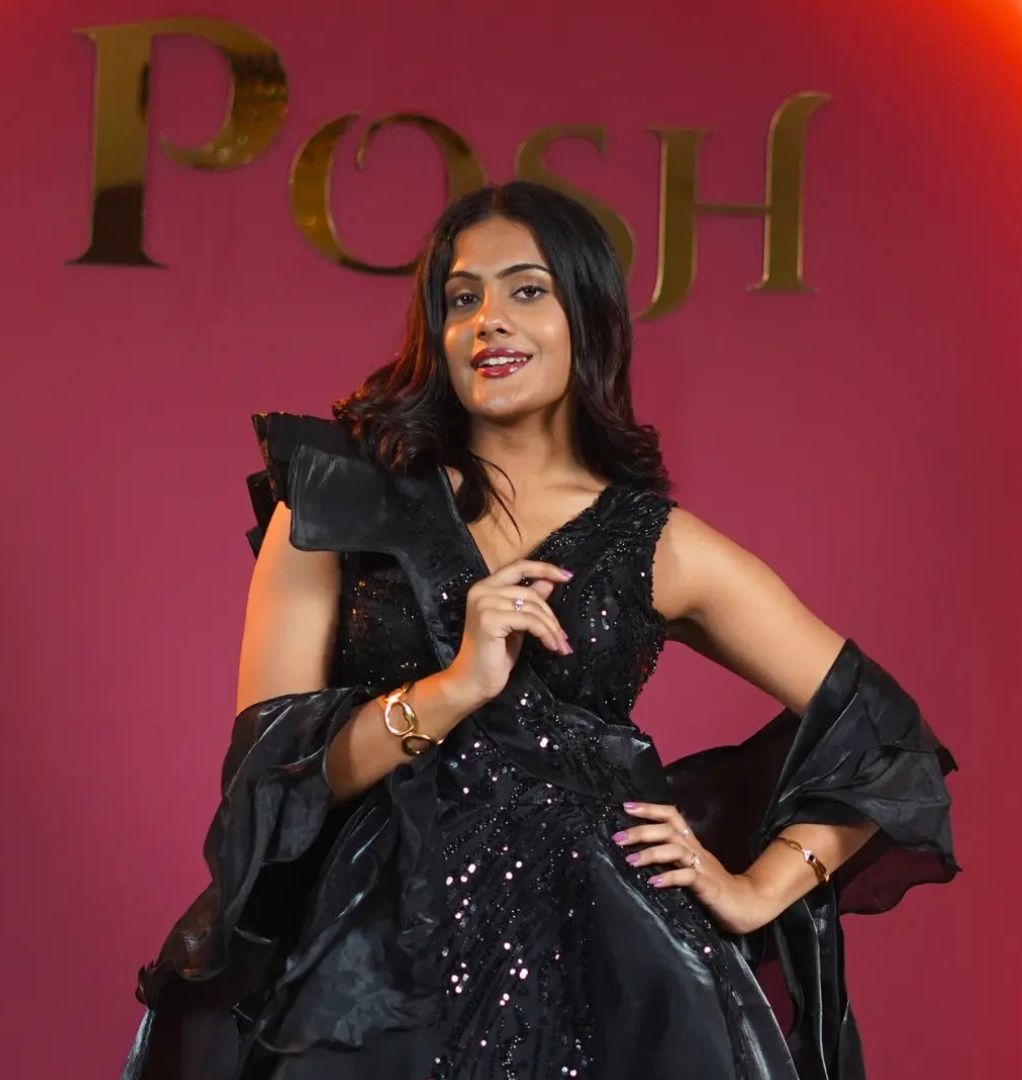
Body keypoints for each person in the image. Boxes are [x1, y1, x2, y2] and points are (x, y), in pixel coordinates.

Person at [119, 181, 957, 1080]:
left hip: (612, 977)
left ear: (587, 318)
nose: (489, 321)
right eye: (461, 299)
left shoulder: (657, 544)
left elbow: (889, 741)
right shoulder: (339, 501)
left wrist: (758, 889)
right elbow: (270, 773)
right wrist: (452, 690)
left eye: (527, 290)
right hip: (372, 974)